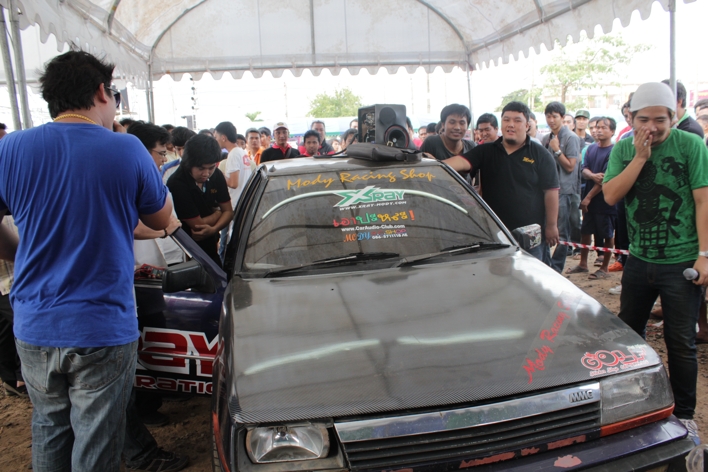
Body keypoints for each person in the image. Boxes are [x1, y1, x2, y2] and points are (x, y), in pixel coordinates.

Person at [0, 50, 173, 471]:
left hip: (34, 322)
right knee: (97, 437)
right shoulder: (126, 147)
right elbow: (161, 218)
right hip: (101, 324)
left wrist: (20, 252)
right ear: (101, 92)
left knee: (49, 426)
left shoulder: (11, 148)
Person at [603, 82, 708, 444]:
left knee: (680, 342)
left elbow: (702, 201)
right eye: (643, 119)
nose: (651, 127)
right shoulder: (624, 148)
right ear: (631, 119)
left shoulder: (690, 145)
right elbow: (611, 194)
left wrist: (704, 255)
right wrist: (639, 158)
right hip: (639, 259)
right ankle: (636, 403)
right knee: (629, 336)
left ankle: (685, 415)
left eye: (660, 119)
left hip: (681, 262)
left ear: (673, 117)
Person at [124, 121, 187, 472]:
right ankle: (142, 417)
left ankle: (151, 399)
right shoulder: (128, 174)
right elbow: (136, 224)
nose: (163, 159)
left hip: (147, 273)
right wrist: (164, 230)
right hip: (132, 279)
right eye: (161, 153)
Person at [442, 101, 559, 264]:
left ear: (527, 125)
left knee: (531, 275)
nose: (511, 124)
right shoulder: (486, 151)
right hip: (495, 233)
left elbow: (551, 192)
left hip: (530, 235)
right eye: (506, 120)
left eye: (517, 120)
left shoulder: (540, 154)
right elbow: (461, 162)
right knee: (497, 274)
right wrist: (434, 166)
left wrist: (552, 226)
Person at [167, 134, 234, 267]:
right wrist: (218, 213)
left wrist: (214, 229)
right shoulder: (177, 183)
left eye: (211, 167)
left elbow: (229, 212)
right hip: (186, 250)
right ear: (189, 164)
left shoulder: (216, 175)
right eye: (201, 168)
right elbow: (198, 225)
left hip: (211, 244)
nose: (206, 173)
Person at [566, 117, 616, 278]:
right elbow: (584, 169)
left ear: (612, 131)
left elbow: (605, 178)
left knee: (607, 234)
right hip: (589, 198)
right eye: (596, 127)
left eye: (603, 127)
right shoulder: (591, 149)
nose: (598, 130)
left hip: (605, 199)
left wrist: (587, 197)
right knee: (586, 231)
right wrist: (593, 176)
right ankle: (583, 264)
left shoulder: (614, 151)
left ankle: (605, 268)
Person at [542, 101, 581, 274]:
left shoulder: (571, 138)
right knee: (545, 226)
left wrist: (557, 150)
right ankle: (547, 264)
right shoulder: (546, 138)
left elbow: (570, 167)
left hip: (565, 190)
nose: (551, 120)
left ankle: (556, 268)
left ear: (562, 117)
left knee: (563, 231)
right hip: (547, 190)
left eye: (554, 116)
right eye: (548, 116)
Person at [0, 215, 23, 397]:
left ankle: (16, 379)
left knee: (11, 330)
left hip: (12, 279)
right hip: (10, 280)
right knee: (21, 329)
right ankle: (15, 380)